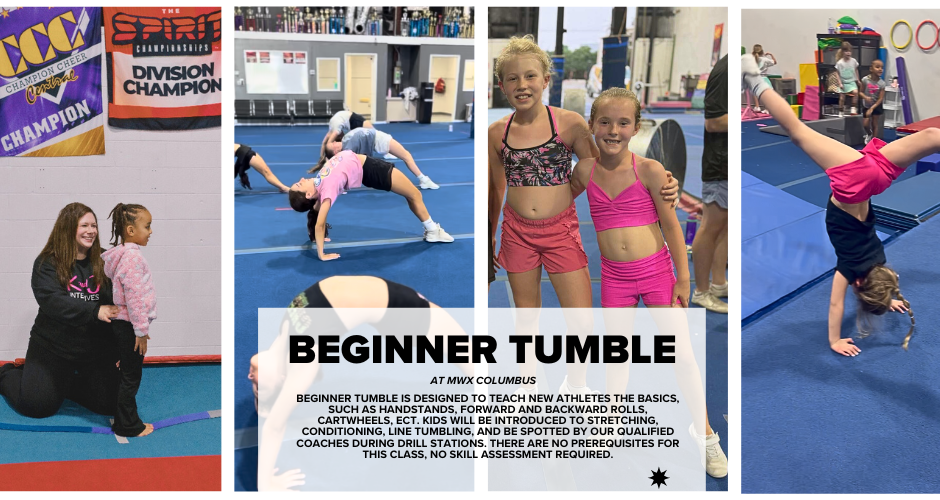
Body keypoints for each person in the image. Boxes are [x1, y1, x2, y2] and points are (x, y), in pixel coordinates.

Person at [488, 35, 678, 398]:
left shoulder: (570, 124)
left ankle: (575, 382)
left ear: (546, 80)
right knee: (526, 319)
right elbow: (495, 193)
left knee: (581, 321)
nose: (521, 85)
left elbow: (607, 167)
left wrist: (665, 181)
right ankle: (530, 388)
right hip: (516, 233)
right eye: (512, 79)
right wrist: (488, 247)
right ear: (502, 86)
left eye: (530, 76)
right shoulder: (498, 133)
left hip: (560, 231)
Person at [742, 54, 929, 354]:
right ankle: (752, 78)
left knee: (931, 137)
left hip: (877, 179)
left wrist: (889, 297)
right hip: (856, 181)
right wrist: (833, 340)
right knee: (798, 130)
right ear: (858, 287)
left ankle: (754, 77)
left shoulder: (879, 259)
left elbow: (882, 279)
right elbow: (835, 303)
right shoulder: (849, 268)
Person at [253, 276, 474, 491]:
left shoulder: (301, 358)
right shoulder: (287, 326)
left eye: (255, 379)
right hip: (382, 297)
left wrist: (265, 485)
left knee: (471, 361)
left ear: (285, 379)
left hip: (397, 305)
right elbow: (273, 414)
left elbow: (274, 426)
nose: (250, 376)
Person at [0, 203, 121, 419]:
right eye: (84, 225)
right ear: (68, 228)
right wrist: (95, 311)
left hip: (93, 350)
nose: (91, 230)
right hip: (53, 348)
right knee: (36, 406)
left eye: (94, 225)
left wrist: (122, 346)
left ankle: (63, 384)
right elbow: (54, 302)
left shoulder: (106, 260)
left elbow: (120, 304)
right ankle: (8, 374)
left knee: (113, 404)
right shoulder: (47, 263)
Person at [289, 151, 453, 261]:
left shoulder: (319, 184)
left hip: (370, 166)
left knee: (411, 195)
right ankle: (432, 231)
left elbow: (316, 213)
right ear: (308, 195)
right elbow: (319, 223)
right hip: (373, 170)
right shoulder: (327, 191)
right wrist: (321, 254)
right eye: (299, 184)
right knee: (415, 194)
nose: (302, 179)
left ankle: (431, 229)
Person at [102, 203, 157, 438]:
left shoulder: (121, 255)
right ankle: (128, 425)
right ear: (131, 230)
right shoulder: (132, 258)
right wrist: (141, 331)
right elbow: (134, 296)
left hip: (124, 324)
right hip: (130, 326)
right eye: (147, 226)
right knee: (131, 375)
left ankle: (124, 418)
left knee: (126, 372)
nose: (151, 231)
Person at [691, 54, 729, 313]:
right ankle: (701, 291)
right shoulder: (725, 70)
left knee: (725, 225)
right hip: (718, 165)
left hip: (726, 163)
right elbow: (713, 122)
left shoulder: (732, 67)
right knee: (711, 226)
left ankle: (718, 283)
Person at [323, 127, 439, 189]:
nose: (334, 143)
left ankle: (423, 179)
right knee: (407, 156)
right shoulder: (347, 149)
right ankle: (424, 179)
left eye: (333, 142)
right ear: (335, 151)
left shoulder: (345, 141)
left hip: (378, 138)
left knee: (406, 156)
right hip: (380, 140)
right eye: (332, 145)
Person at [860, 59, 886, 143]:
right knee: (866, 124)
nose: (880, 69)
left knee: (874, 123)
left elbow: (881, 98)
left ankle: (873, 142)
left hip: (876, 105)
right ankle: (869, 133)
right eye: (877, 67)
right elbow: (860, 92)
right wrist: (865, 97)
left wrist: (872, 108)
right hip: (866, 105)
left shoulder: (882, 83)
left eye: (882, 67)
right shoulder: (865, 80)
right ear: (871, 69)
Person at [835, 42, 860, 116]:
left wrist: (857, 80)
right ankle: (841, 110)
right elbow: (837, 73)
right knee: (842, 98)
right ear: (842, 52)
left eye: (849, 51)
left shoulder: (853, 61)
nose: (848, 53)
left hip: (851, 81)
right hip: (843, 82)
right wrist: (839, 83)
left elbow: (856, 70)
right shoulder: (840, 63)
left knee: (855, 92)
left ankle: (853, 107)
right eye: (846, 51)